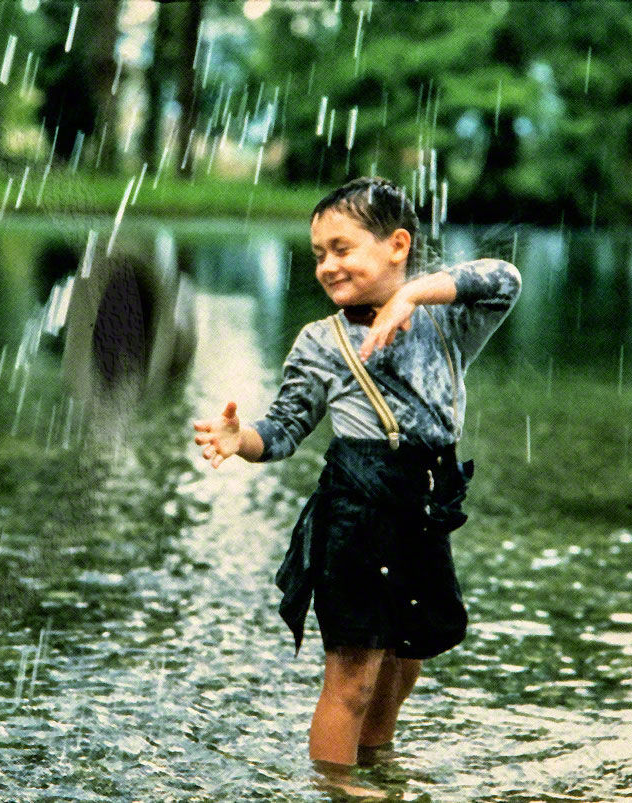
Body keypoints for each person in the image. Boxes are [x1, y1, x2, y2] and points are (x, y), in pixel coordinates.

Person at [191, 176, 521, 796]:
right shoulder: (320, 341)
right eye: (318, 254)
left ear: (397, 245)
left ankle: (377, 759)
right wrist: (244, 441)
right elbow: (285, 428)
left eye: (342, 249)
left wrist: (414, 298)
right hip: (356, 511)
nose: (327, 266)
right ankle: (335, 783)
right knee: (354, 671)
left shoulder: (448, 323)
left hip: (424, 505)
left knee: (406, 659)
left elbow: (505, 278)